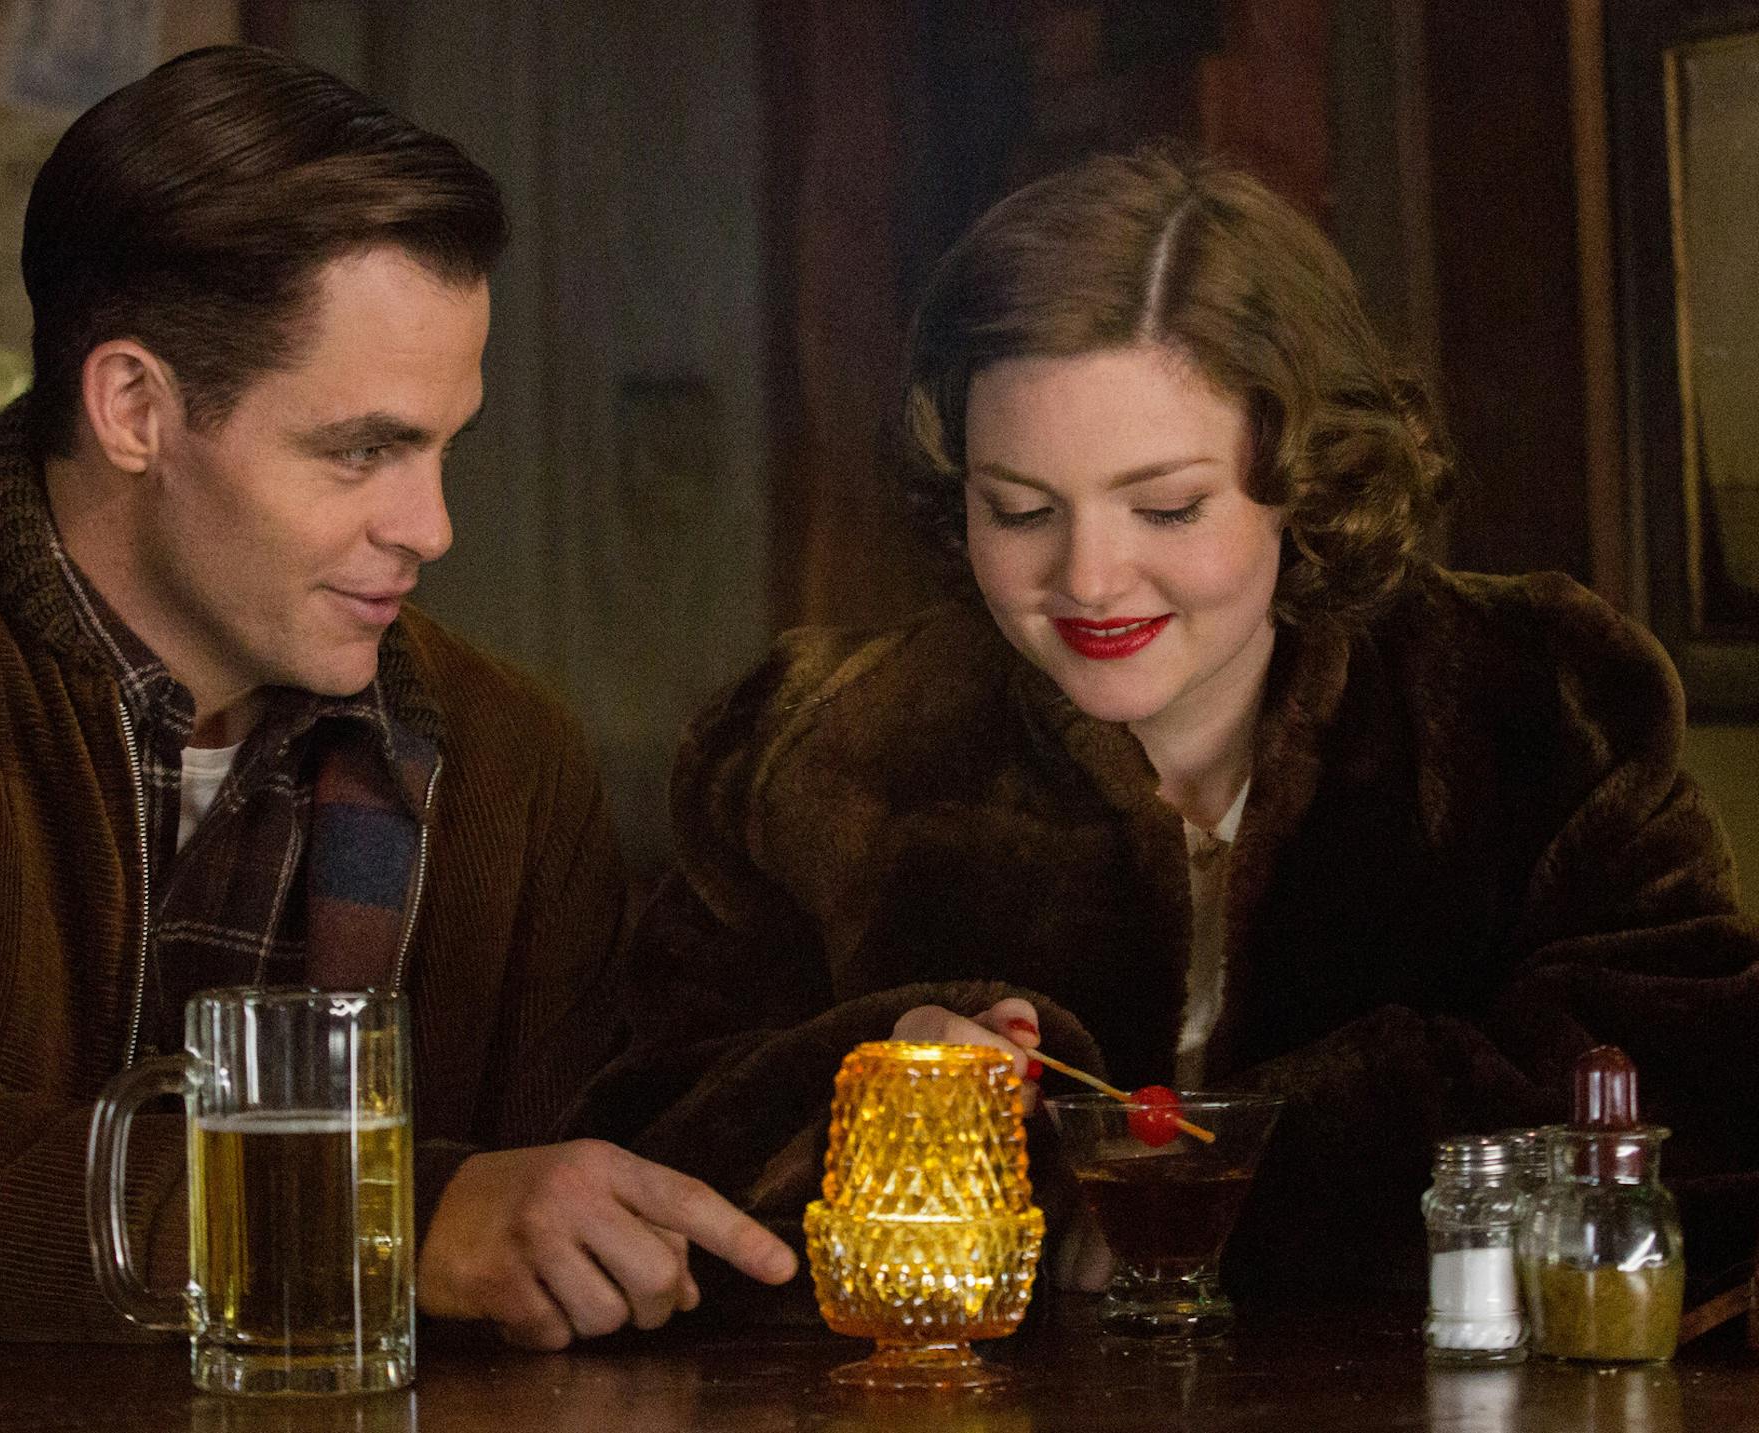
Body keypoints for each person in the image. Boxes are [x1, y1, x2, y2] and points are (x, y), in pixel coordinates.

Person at [0, 45, 792, 1346]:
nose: (433, 525)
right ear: (132, 409)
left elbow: (565, 1252)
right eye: (360, 452)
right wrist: (385, 1217)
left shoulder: (508, 756)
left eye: (446, 446)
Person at [573, 148, 1759, 1301]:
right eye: (1021, 509)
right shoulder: (816, 751)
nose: (1090, 577)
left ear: (1309, 473)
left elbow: (1698, 1096)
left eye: (1168, 505)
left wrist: (1229, 1175)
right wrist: (878, 1076)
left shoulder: (1545, 705)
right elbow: (645, 1139)